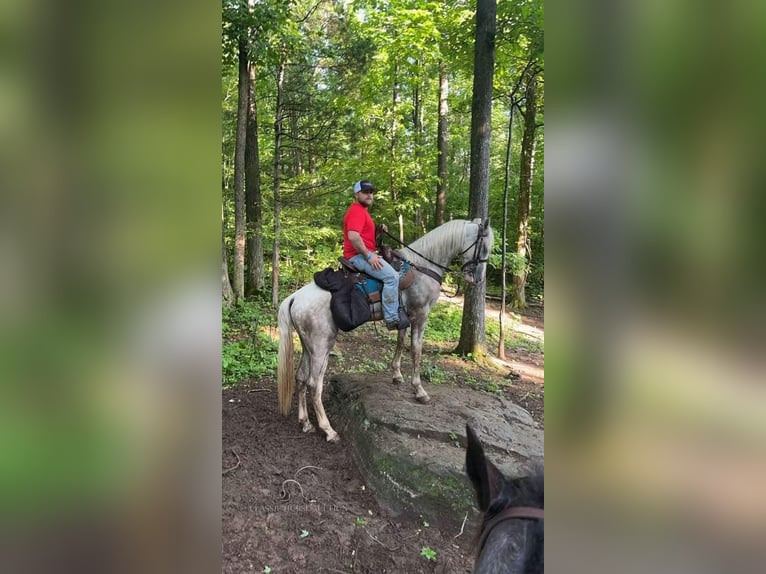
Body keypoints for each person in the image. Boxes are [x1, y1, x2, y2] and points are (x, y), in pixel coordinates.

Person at [343, 180, 406, 330]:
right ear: (356, 194)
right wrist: (369, 256)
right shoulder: (357, 211)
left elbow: (363, 236)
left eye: (371, 192)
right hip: (358, 256)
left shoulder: (362, 212)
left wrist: (377, 230)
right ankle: (391, 318)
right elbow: (353, 236)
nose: (369, 195)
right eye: (365, 192)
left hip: (362, 253)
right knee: (392, 277)